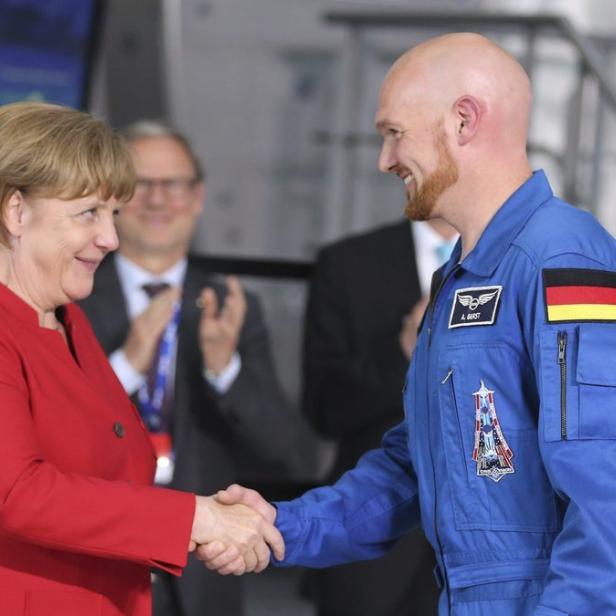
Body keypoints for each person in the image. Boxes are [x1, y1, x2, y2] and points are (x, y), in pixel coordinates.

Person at [206, 32, 616, 616]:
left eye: (395, 133)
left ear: (464, 121)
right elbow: (415, 466)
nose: (384, 160)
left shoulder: (562, 259)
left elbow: (607, 501)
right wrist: (280, 526)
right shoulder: (463, 276)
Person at [0, 101, 283, 616]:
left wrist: (214, 517)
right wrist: (192, 519)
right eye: (88, 212)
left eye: (112, 213)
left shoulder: (68, 319)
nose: (109, 237)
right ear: (16, 212)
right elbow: (16, 492)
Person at [78, 120, 294, 616]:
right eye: (140, 185)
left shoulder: (232, 305)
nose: (158, 200)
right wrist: (127, 363)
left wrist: (225, 369)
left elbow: (283, 447)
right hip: (97, 561)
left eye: (173, 185)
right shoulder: (72, 295)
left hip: (202, 569)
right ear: (111, 197)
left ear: (197, 198)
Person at [302, 218, 456, 616]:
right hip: (372, 547)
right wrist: (403, 352)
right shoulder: (349, 262)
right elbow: (323, 409)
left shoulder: (520, 257)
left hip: (484, 545)